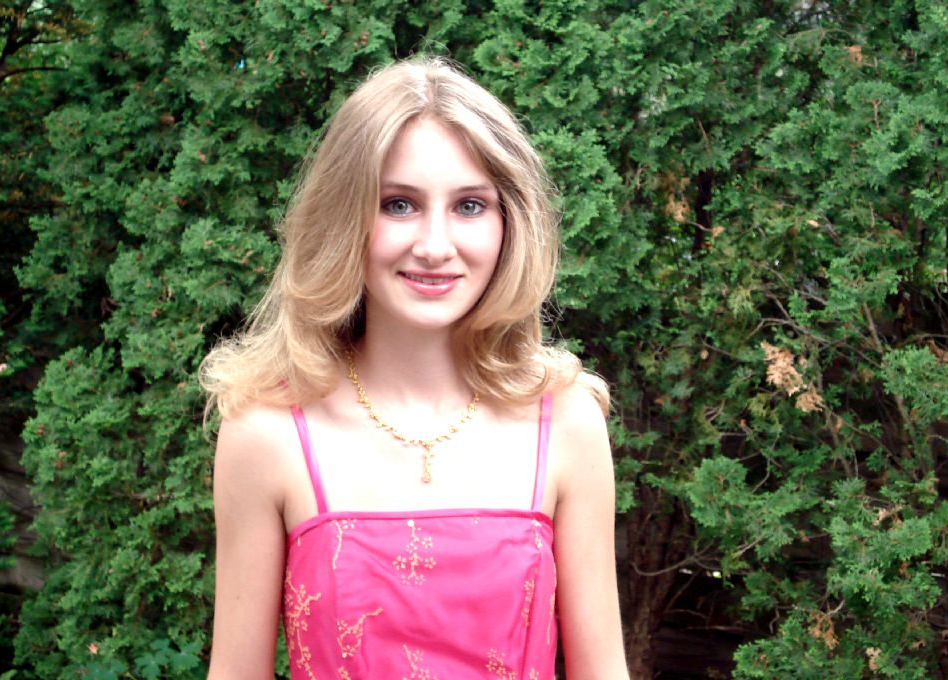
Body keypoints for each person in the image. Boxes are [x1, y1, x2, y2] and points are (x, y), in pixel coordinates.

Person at [200, 57, 629, 679]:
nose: (434, 246)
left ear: (510, 223)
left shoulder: (565, 423)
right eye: (398, 204)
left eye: (470, 206)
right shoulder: (266, 432)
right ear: (345, 217)